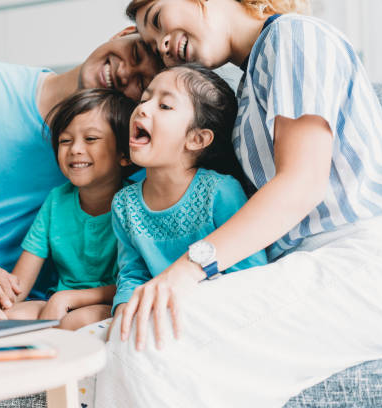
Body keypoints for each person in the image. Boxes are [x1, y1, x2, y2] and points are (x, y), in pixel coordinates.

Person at [95, 1, 382, 407]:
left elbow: (301, 184)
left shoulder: (293, 36)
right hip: (308, 262)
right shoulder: (249, 85)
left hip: (362, 260)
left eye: (159, 19)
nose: (162, 43)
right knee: (106, 341)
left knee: (145, 344)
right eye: (152, 44)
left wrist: (186, 271)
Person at [0, 27, 162, 318]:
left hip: (26, 300)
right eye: (134, 53)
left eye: (142, 82)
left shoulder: (137, 162)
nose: (125, 72)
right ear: (123, 33)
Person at [109, 64, 268, 345]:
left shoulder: (219, 191)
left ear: (197, 138)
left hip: (215, 319)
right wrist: (124, 311)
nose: (143, 108)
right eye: (144, 99)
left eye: (165, 105)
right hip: (156, 315)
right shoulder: (124, 204)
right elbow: (132, 271)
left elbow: (249, 273)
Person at [0, 88, 137, 330]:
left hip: (111, 302)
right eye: (65, 140)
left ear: (124, 154)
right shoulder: (56, 201)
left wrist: (68, 298)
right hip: (56, 302)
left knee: (76, 320)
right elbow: (21, 280)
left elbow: (134, 281)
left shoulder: (135, 203)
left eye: (91, 139)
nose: (75, 149)